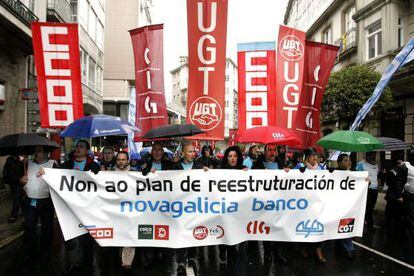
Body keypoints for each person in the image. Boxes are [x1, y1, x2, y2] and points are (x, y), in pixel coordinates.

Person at [60, 140, 100, 273]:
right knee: (71, 237)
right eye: (77, 146)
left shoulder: (94, 166)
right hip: (69, 207)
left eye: (82, 147)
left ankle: (87, 264)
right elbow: (55, 177)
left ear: (87, 150)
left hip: (87, 207)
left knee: (86, 238)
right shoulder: (66, 165)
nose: (78, 148)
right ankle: (72, 263)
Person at [20, 146, 58, 262]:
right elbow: (20, 180)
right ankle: (29, 251)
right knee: (29, 227)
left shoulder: (53, 164)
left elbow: (59, 182)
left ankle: (45, 251)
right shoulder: (28, 164)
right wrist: (22, 180)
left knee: (46, 228)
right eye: (35, 151)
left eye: (40, 151)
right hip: (30, 201)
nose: (36, 153)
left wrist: (49, 176)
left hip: (46, 201)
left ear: (46, 153)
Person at [251, 144, 287, 265]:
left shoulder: (281, 164)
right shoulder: (258, 164)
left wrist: (287, 172)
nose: (272, 152)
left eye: (273, 150)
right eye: (269, 150)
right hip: (264, 202)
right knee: (266, 227)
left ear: (276, 152)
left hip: (278, 202)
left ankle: (278, 252)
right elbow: (251, 178)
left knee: (278, 227)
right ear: (265, 152)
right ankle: (267, 252)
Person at [173, 141, 204, 276]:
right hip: (179, 207)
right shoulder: (175, 167)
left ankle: (191, 258)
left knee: (193, 233)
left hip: (194, 207)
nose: (193, 154)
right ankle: (181, 261)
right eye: (190, 151)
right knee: (180, 233)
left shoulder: (199, 167)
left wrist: (208, 173)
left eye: (194, 151)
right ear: (183, 153)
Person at [219, 146, 247, 266]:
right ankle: (222, 249)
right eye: (230, 156)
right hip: (224, 207)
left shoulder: (243, 170)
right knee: (224, 229)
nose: (232, 158)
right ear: (226, 158)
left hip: (238, 208)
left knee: (234, 231)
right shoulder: (220, 171)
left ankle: (231, 252)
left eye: (235, 156)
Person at [111, 151, 136, 273]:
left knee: (129, 236)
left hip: (130, 210)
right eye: (119, 159)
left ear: (128, 160)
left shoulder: (135, 174)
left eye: (123, 159)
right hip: (113, 210)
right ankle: (118, 258)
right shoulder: (108, 173)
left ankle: (127, 263)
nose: (121, 162)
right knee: (117, 235)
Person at [300, 148, 326, 263]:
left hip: (317, 203)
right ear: (306, 158)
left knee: (317, 226)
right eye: (311, 155)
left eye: (316, 155)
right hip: (305, 204)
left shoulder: (321, 169)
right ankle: (304, 247)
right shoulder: (300, 169)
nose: (314, 157)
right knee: (305, 226)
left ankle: (318, 250)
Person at [334, 153, 355, 259]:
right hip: (337, 204)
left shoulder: (353, 173)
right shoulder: (334, 172)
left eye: (349, 160)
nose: (348, 162)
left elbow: (359, 183)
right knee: (339, 225)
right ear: (339, 162)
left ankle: (348, 248)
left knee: (346, 225)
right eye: (346, 160)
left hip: (348, 205)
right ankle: (341, 246)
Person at [356, 151, 381, 232]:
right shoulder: (361, 164)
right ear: (368, 155)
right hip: (367, 189)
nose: (374, 156)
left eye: (375, 154)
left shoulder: (376, 165)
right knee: (368, 207)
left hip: (375, 189)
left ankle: (364, 222)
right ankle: (370, 225)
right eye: (372, 154)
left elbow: (376, 176)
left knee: (370, 208)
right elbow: (358, 176)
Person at [395, 149, 414, 247]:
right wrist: (399, 195)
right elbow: (399, 182)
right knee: (411, 217)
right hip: (408, 195)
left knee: (407, 217)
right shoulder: (404, 167)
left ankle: (401, 229)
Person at [384, 158, 404, 237]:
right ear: (396, 164)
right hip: (392, 196)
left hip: (399, 196)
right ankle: (388, 229)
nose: (400, 165)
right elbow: (388, 183)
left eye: (402, 164)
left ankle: (396, 229)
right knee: (389, 213)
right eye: (399, 163)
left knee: (397, 214)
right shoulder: (391, 172)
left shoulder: (403, 172)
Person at [3, 154, 24, 223]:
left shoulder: (22, 160)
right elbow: (5, 170)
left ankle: (13, 215)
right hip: (12, 182)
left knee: (16, 198)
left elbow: (24, 171)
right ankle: (24, 210)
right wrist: (6, 179)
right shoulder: (9, 159)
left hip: (19, 182)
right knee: (18, 198)